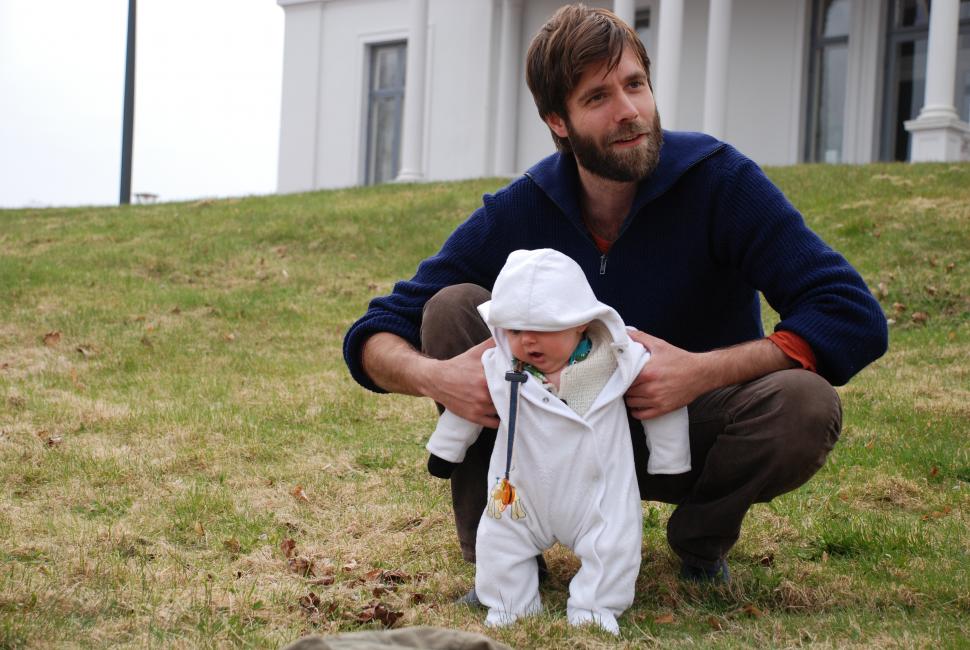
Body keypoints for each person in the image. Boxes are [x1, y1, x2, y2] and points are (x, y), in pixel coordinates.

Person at [342, 4, 887, 588]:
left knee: (806, 404)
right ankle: (503, 559)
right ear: (559, 121)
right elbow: (374, 332)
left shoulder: (720, 181)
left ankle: (700, 543)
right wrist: (438, 378)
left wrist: (698, 372)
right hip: (552, 439)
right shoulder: (523, 208)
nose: (629, 111)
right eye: (598, 97)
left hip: (682, 431)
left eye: (635, 85)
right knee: (452, 306)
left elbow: (851, 315)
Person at [425, 248, 690, 634]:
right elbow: (466, 407)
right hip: (519, 492)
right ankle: (510, 606)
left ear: (581, 323)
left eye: (544, 329)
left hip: (596, 494)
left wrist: (669, 456)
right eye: (515, 330)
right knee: (500, 542)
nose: (528, 341)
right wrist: (446, 449)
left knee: (613, 546)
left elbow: (663, 401)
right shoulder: (501, 366)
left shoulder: (619, 360)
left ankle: (595, 608)